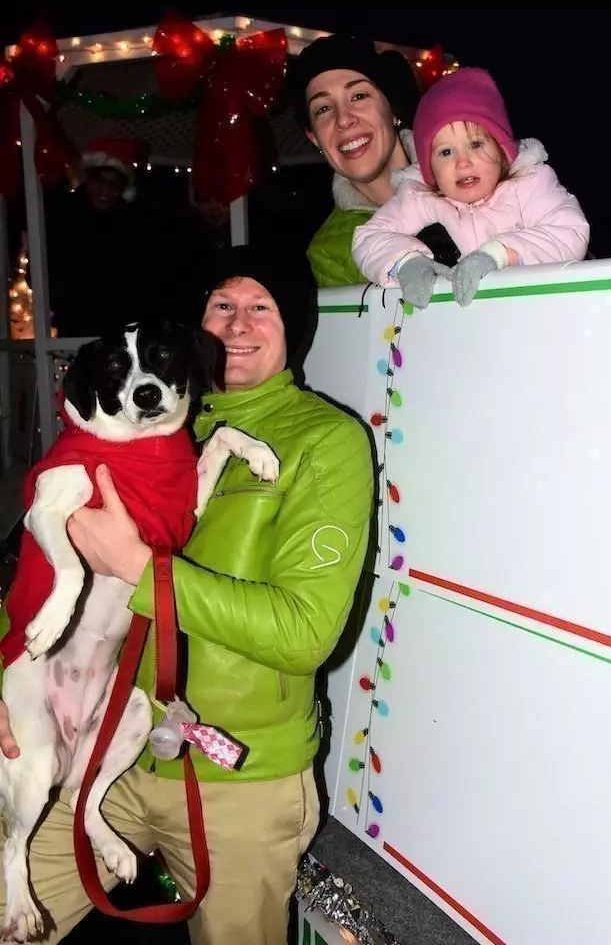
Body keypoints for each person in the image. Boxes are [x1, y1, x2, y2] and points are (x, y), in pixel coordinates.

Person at [0, 244, 374, 945]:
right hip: (106, 751)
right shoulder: (151, 426)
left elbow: (305, 634)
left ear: (291, 329)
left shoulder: (326, 442)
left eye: (260, 307)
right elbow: (23, 562)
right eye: (220, 306)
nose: (236, 323)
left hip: (238, 781)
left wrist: (141, 569)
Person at [351, 67, 591, 308]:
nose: (462, 162)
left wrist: (500, 253)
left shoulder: (529, 182)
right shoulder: (420, 197)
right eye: (446, 152)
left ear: (501, 149)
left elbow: (569, 230)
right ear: (429, 166)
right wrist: (405, 262)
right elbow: (368, 237)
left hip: (539, 310)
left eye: (476, 144)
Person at [289, 34, 422, 288]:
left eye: (359, 96)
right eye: (323, 109)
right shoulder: (330, 251)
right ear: (314, 137)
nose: (343, 119)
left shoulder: (472, 175)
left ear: (392, 108)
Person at [46, 137, 165, 336]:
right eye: (99, 182)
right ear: (89, 180)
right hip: (75, 324)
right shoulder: (63, 217)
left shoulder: (135, 224)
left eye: (114, 184)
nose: (106, 191)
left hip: (123, 328)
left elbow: (147, 274)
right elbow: (44, 270)